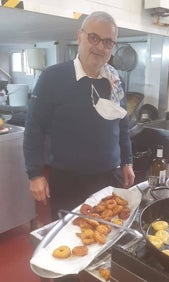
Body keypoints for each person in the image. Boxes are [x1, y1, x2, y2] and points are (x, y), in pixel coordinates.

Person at [23, 11, 135, 221]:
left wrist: (127, 161)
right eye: (94, 38)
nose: (100, 46)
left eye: (108, 42)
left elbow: (122, 123)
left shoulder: (114, 79)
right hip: (68, 182)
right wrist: (35, 174)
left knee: (106, 238)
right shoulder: (53, 77)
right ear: (79, 36)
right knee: (70, 240)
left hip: (108, 178)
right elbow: (34, 128)